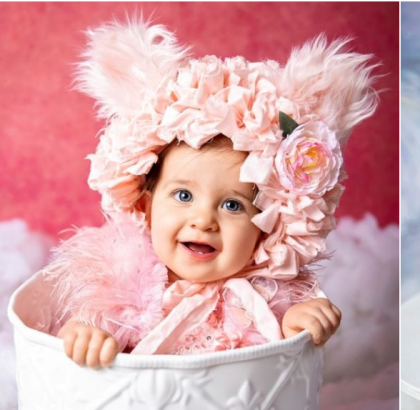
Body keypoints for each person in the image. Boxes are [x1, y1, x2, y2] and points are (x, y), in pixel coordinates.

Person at [42, 17, 378, 368]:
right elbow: (83, 321)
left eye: (233, 205)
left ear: (267, 228)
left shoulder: (269, 293)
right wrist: (84, 334)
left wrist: (300, 321)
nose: (204, 220)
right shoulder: (124, 280)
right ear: (147, 205)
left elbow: (282, 353)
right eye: (184, 196)